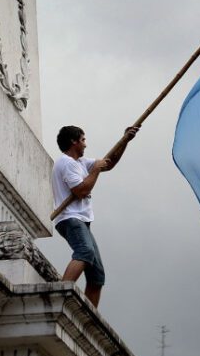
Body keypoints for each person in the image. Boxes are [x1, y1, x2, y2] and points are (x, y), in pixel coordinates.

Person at [52, 125, 138, 307]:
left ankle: (89, 317)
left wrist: (125, 141)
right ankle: (58, 295)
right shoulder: (66, 163)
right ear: (73, 142)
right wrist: (96, 170)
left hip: (82, 221)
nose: (85, 144)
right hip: (70, 218)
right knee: (85, 251)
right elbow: (81, 190)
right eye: (83, 140)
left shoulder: (81, 163)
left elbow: (109, 163)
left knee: (97, 276)